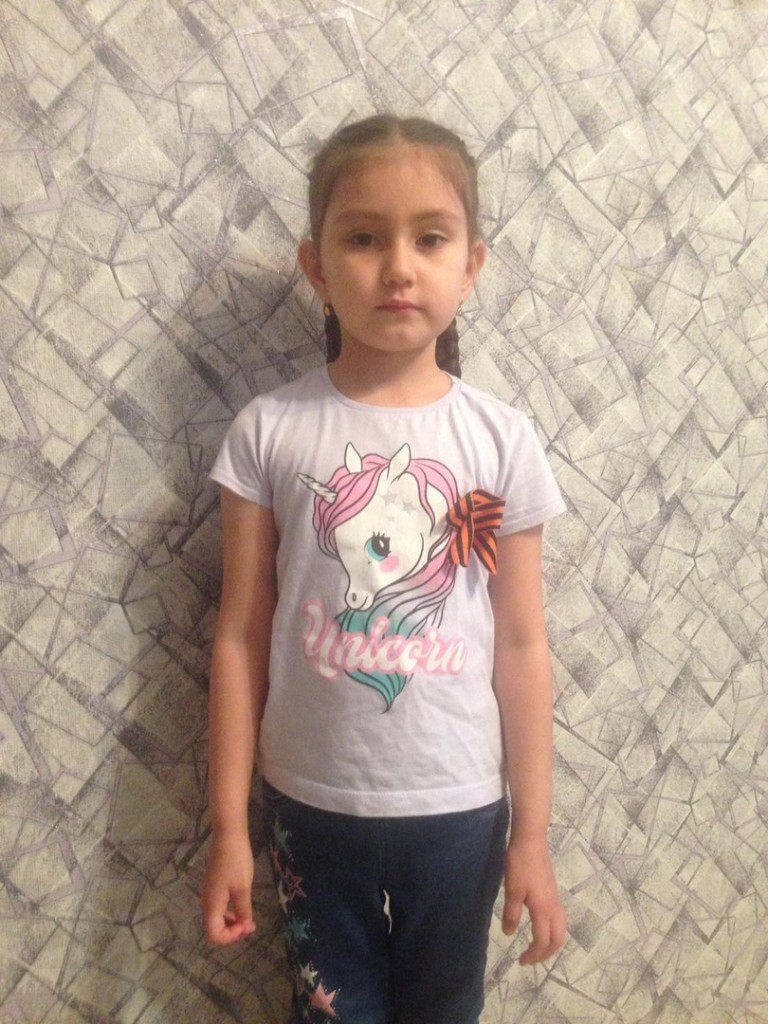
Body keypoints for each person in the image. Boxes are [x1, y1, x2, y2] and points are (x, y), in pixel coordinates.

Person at [202, 113, 567, 1024]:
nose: (398, 267)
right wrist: (230, 829)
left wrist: (532, 837)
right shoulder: (269, 433)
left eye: (429, 239)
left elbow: (523, 645)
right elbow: (240, 635)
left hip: (460, 812)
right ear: (317, 266)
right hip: (309, 808)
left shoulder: (499, 443)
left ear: (471, 266)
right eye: (364, 238)